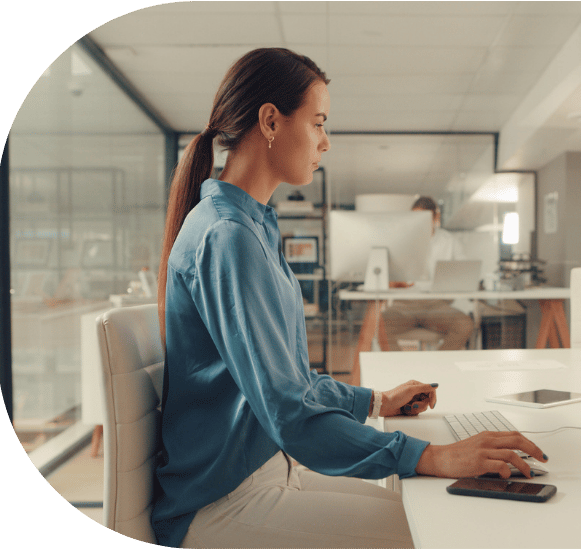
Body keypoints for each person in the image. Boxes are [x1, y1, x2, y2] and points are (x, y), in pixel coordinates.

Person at [151, 48, 546, 549]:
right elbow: (290, 412)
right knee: (443, 530)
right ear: (271, 121)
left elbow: (289, 383)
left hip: (265, 468)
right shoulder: (227, 237)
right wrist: (433, 455)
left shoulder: (249, 228)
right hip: (221, 500)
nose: (326, 141)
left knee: (431, 506)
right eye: (318, 123)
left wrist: (376, 401)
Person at [381, 196, 475, 351]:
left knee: (464, 325)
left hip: (437, 306)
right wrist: (393, 283)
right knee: (380, 325)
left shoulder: (449, 242)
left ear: (435, 217)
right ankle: (400, 372)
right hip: (404, 305)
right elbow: (386, 277)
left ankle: (436, 367)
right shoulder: (401, 242)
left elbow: (464, 273)